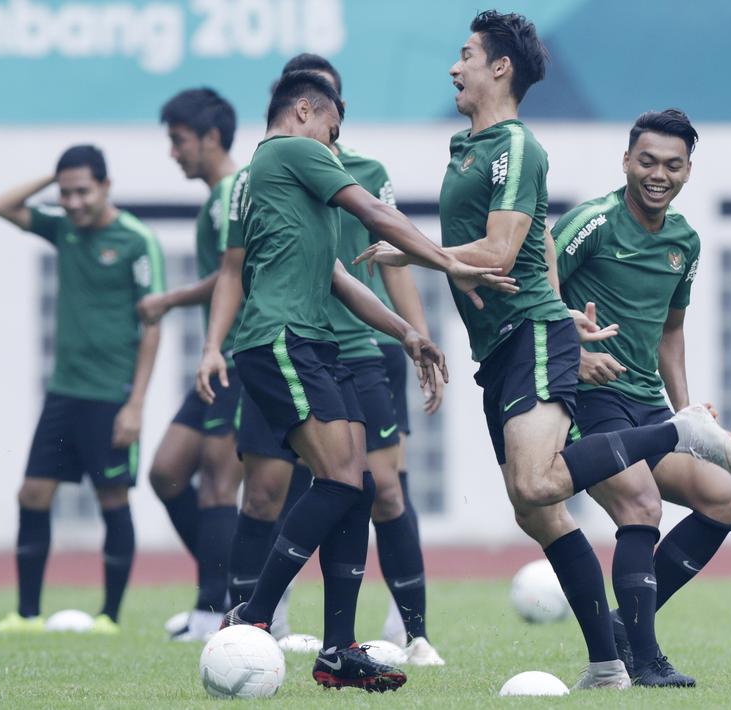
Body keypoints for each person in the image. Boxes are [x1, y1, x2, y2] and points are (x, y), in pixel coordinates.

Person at [358, 10, 731, 690]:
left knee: (563, 488)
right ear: (626, 161)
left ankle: (675, 438)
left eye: (466, 55)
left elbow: (502, 250)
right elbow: (539, 246)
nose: (455, 66)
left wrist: (414, 252)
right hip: (512, 343)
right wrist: (568, 317)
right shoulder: (477, 149)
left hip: (532, 342)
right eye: (647, 160)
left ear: (499, 67)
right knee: (533, 507)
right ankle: (610, 663)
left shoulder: (517, 146)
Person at [199, 70, 507, 691]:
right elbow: (372, 209)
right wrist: (450, 261)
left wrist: (407, 333)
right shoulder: (289, 151)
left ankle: (337, 649)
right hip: (279, 338)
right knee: (338, 481)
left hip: (314, 341)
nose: (336, 148)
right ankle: (253, 613)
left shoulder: (288, 181)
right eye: (333, 133)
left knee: (359, 484)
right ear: (307, 110)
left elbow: (340, 275)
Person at [549, 108, 731, 687]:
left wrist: (686, 411)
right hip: (589, 401)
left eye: (672, 165)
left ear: (688, 170)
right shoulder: (593, 222)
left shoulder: (685, 240)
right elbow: (533, 296)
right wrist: (575, 355)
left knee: (722, 500)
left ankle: (622, 628)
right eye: (647, 161)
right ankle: (644, 658)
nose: (658, 174)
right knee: (641, 507)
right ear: (627, 161)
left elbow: (671, 330)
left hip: (650, 408)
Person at [277, 52, 444, 665]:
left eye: (337, 106)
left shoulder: (369, 170)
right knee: (292, 488)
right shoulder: (276, 170)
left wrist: (416, 336)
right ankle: (270, 621)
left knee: (385, 490)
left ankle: (413, 629)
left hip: (366, 351)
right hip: (297, 346)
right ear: (302, 107)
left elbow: (387, 259)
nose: (333, 122)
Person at [0, 145, 165, 634]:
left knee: (112, 500)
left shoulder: (135, 240)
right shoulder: (62, 226)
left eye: (82, 190)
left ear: (106, 186)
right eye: (64, 192)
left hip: (113, 395)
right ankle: (26, 615)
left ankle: (109, 616)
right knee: (33, 494)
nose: (72, 202)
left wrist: (136, 404)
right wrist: (53, 177)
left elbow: (152, 326)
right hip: (63, 393)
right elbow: (0, 206)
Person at [138, 87, 245, 641]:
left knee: (218, 488)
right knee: (166, 471)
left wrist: (166, 300)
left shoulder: (234, 192)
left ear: (209, 137)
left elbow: (235, 274)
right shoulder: (216, 196)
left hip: (241, 359)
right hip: (219, 361)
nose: (173, 152)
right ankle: (224, 585)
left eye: (178, 141)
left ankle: (214, 611)